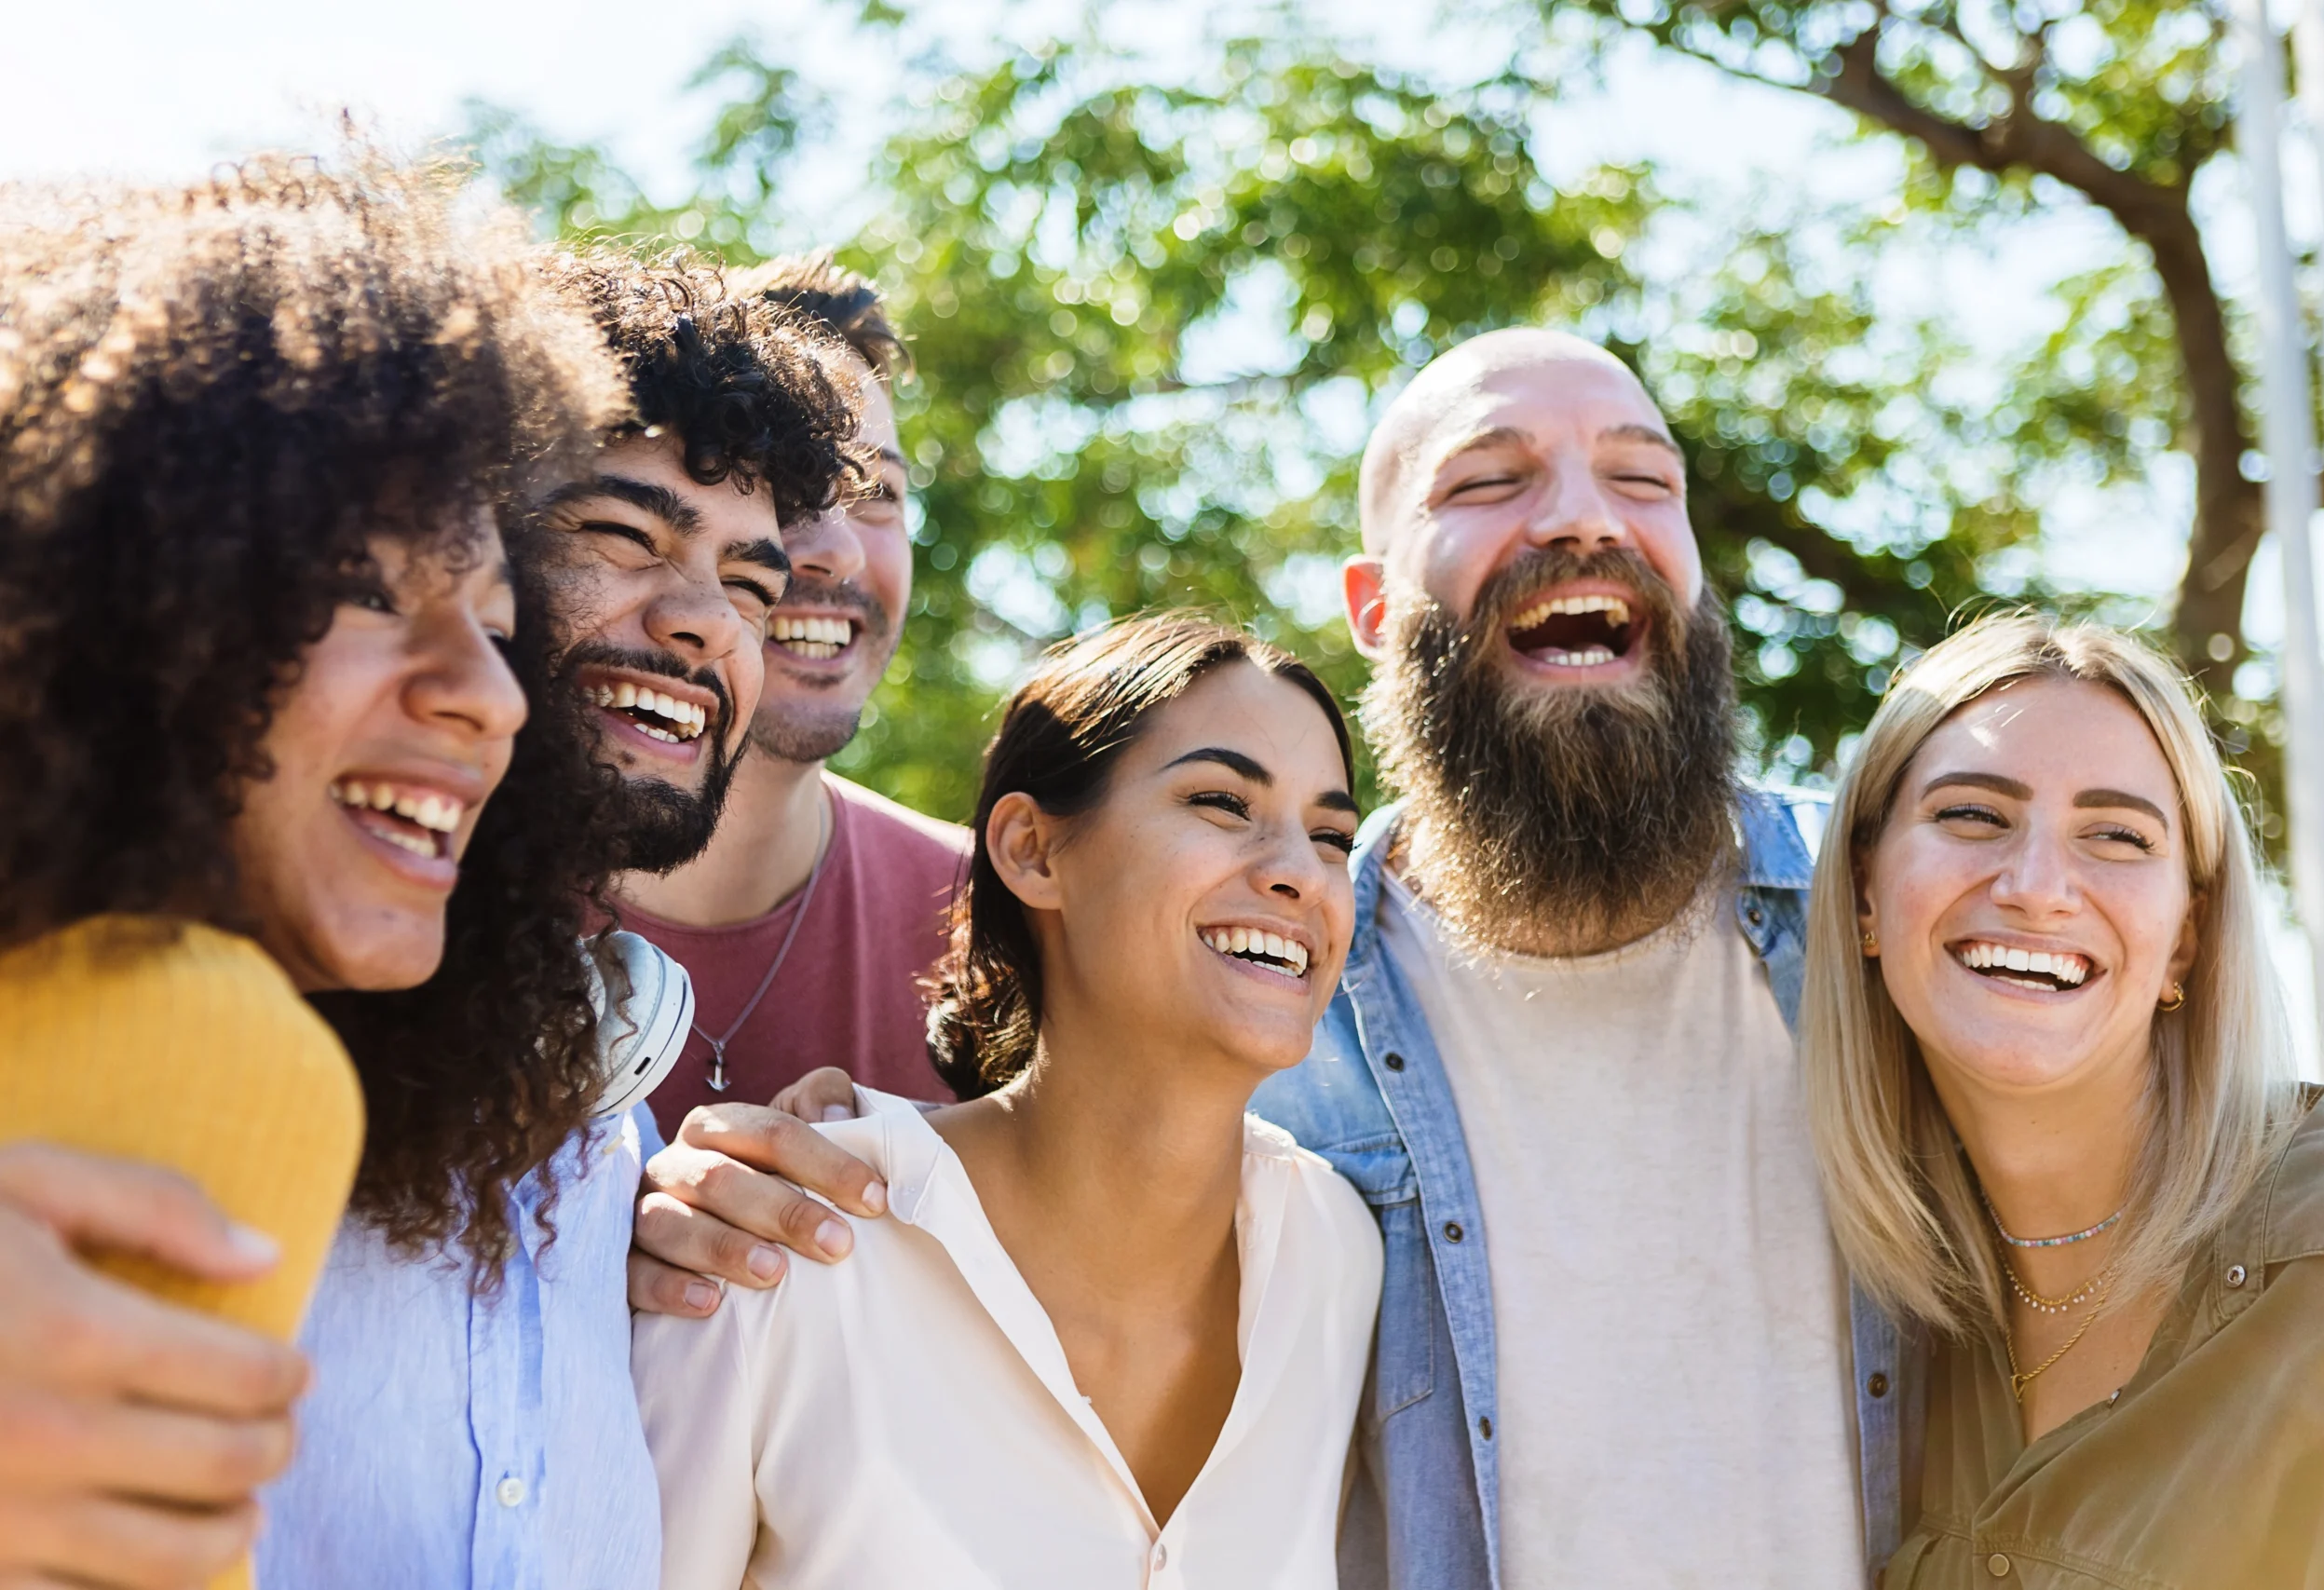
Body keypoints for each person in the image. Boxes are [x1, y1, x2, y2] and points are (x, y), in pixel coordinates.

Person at [629, 325, 1916, 1587]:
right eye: (1489, 478)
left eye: (1643, 477)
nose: (1584, 518)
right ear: (1376, 602)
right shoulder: (1258, 1051)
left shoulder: (1896, 925)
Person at [0, 152, 624, 1590]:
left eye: (497, 615)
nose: (494, 693)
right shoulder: (203, 1030)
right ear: (135, 601)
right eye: (363, 585)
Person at [251, 253, 859, 1590]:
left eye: (754, 589)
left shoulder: (606, 1136)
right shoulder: (193, 1011)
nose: (706, 623)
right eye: (624, 537)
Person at [634, 614, 1379, 1588]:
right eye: (1220, 801)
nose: (1296, 872)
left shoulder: (1336, 1260)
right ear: (1032, 850)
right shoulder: (778, 1253)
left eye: (1331, 835)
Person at [1804, 613, 2324, 1585]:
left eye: (2116, 836)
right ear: (1865, 896)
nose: (2036, 887)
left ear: (2185, 942)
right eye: (1973, 816)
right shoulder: (1868, 1313)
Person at [614, 251, 966, 1146]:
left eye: (878, 493)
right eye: (797, 488)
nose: (840, 550)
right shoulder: (450, 889)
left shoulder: (992, 920)